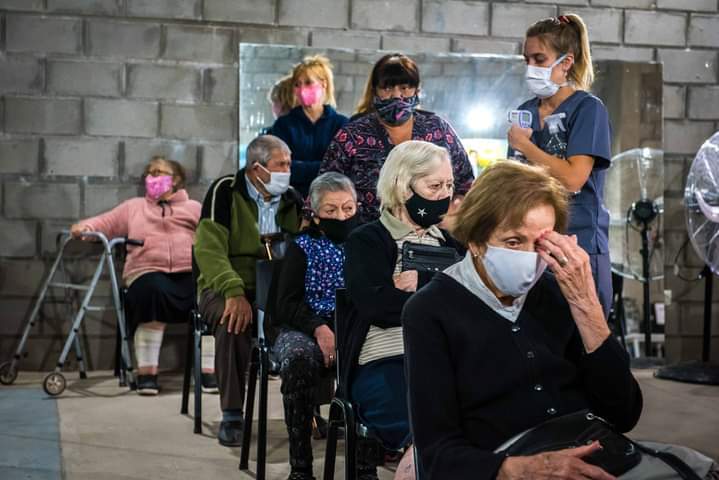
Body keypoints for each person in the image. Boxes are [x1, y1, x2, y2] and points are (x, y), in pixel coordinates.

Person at [403, 161, 718, 480]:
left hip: (591, 448)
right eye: (513, 242)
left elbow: (623, 414)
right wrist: (521, 470)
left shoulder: (558, 293)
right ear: (475, 240)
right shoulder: (431, 310)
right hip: (507, 463)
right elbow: (438, 455)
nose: (528, 258)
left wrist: (587, 306)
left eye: (540, 243)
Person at [343, 140, 464, 480]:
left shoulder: (453, 245)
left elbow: (472, 303)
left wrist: (422, 282)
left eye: (449, 185)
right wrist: (443, 298)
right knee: (422, 425)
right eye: (434, 186)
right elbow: (377, 306)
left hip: (450, 359)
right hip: (387, 360)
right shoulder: (367, 240)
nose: (444, 195)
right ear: (402, 185)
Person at [194, 135, 303, 447]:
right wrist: (233, 291)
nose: (288, 170)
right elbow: (209, 250)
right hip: (223, 285)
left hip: (275, 288)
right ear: (257, 169)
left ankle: (308, 412)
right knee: (234, 321)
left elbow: (298, 250)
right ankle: (232, 413)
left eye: (289, 163)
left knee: (313, 320)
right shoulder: (224, 192)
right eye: (281, 165)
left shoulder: (291, 198)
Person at [70, 156, 209, 396]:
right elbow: (105, 222)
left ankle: (210, 373)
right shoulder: (134, 207)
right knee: (151, 291)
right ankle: (147, 374)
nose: (152, 177)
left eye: (159, 172)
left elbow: (213, 234)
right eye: (150, 173)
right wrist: (84, 227)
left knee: (210, 295)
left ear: (175, 180)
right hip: (146, 271)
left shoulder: (193, 208)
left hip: (189, 271)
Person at [507, 14, 613, 315]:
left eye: (540, 59)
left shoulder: (588, 110)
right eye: (527, 59)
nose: (531, 68)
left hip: (577, 242)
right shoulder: (524, 112)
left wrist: (525, 146)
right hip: (531, 245)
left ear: (566, 62)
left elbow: (572, 179)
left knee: (583, 339)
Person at [320, 53, 474, 224]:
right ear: (375, 91)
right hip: (367, 233)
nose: (396, 96)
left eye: (404, 88)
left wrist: (454, 207)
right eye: (387, 88)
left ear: (417, 90)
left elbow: (466, 181)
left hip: (429, 233)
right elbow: (326, 184)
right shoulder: (353, 134)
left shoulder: (437, 129)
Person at [274, 172, 359, 480]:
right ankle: (301, 467)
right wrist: (319, 328)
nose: (342, 216)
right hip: (305, 326)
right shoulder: (301, 247)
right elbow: (285, 303)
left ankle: (364, 467)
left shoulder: (366, 243)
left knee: (377, 356)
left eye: (348, 208)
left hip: (354, 326)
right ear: (316, 214)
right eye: (331, 210)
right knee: (298, 359)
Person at [269, 55, 349, 198]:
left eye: (308, 82)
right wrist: (322, 167)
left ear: (323, 84)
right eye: (297, 84)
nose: (302, 89)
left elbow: (342, 168)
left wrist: (299, 167)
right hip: (292, 199)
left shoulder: (341, 124)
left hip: (331, 199)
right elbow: (279, 167)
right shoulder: (284, 125)